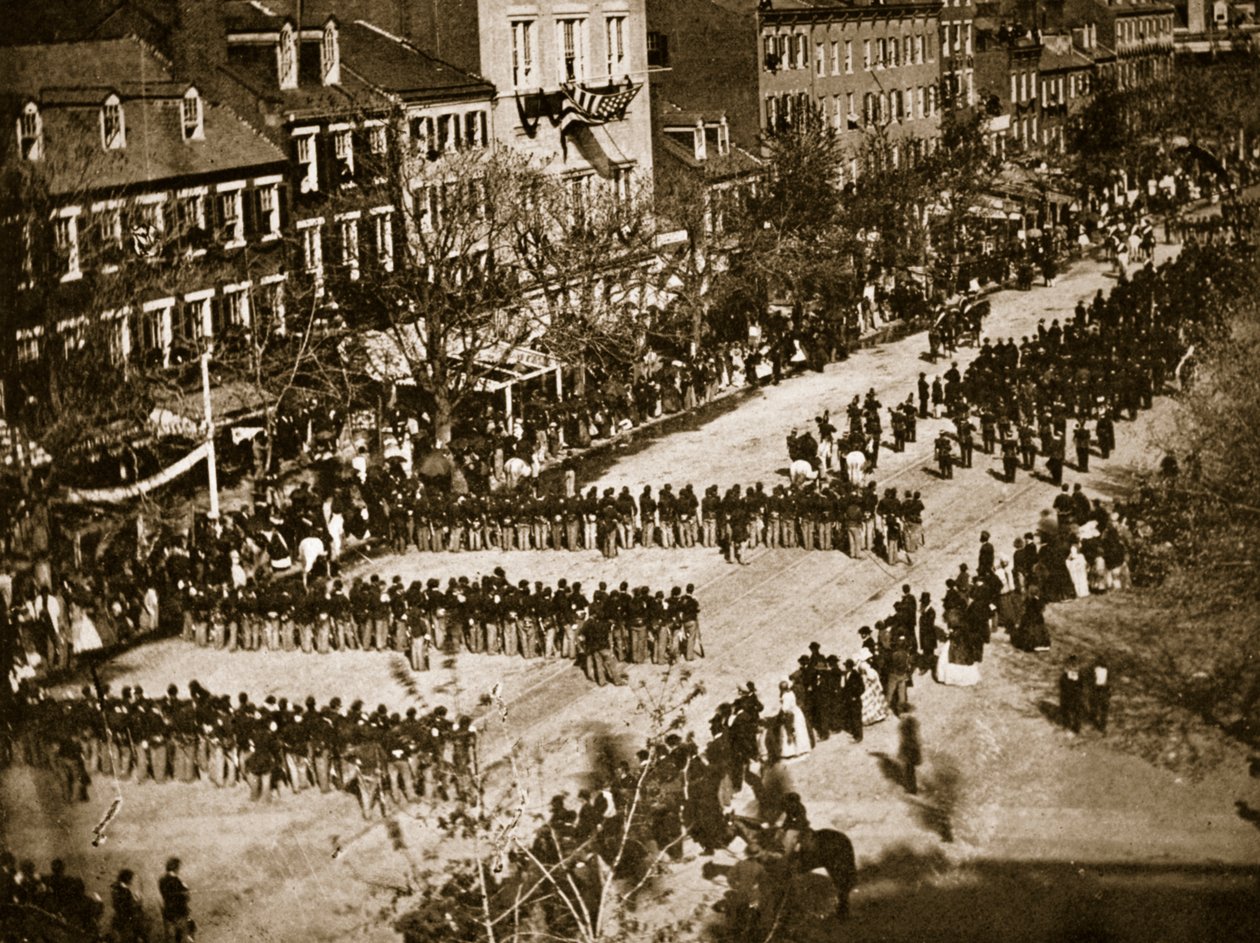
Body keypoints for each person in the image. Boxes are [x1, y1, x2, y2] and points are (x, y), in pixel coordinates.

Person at [158, 858, 192, 943]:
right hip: (179, 912)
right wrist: (186, 889)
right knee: (181, 937)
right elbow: (185, 896)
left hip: (168, 912)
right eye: (179, 867)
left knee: (171, 938)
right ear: (176, 868)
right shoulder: (177, 881)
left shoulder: (162, 880)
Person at [777, 680, 812, 760]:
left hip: (791, 714)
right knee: (800, 731)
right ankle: (804, 748)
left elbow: (785, 708)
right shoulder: (791, 693)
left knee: (788, 731)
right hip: (797, 712)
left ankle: (791, 751)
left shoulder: (785, 696)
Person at [111, 869, 148, 943]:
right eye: (131, 879)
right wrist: (137, 902)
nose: (132, 881)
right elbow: (129, 908)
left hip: (120, 922)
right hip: (127, 923)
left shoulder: (115, 888)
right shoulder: (125, 891)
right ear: (128, 879)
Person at [1059, 656, 1084, 734]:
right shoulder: (1079, 676)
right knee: (1076, 712)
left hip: (1069, 696)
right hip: (1075, 696)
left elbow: (1062, 685)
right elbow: (1081, 686)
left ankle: (1069, 725)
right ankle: (1075, 727)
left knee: (1068, 710)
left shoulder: (1065, 676)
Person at [1088, 659, 1111, 733]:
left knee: (1094, 704)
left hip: (1097, 689)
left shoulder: (1094, 670)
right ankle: (1102, 726)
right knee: (1104, 709)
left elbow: (1091, 681)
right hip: (1104, 690)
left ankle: (1093, 717)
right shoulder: (1106, 670)